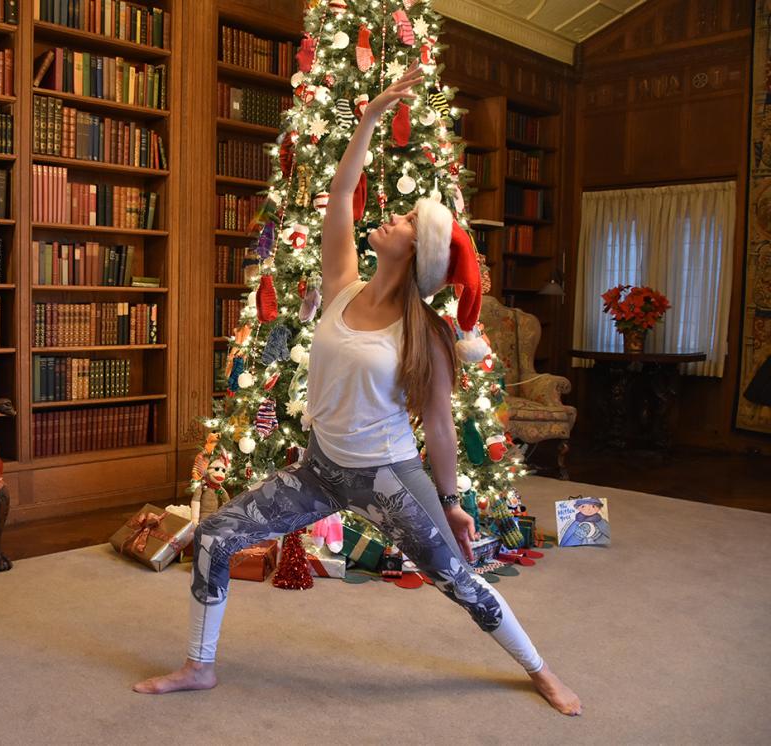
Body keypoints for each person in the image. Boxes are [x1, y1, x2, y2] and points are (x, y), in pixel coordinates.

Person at [133, 66, 582, 717]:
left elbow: (440, 425)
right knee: (213, 538)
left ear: (415, 252)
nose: (388, 217)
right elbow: (341, 197)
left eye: (401, 220)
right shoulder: (343, 283)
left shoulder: (422, 332)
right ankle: (198, 667)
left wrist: (452, 502)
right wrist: (368, 120)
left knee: (455, 579)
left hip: (389, 478)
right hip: (321, 468)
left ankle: (540, 670)